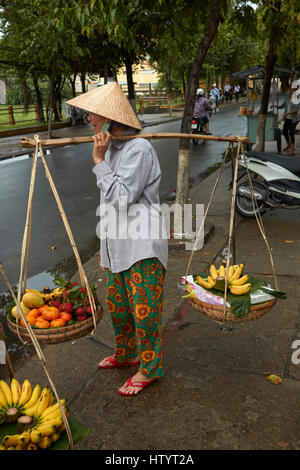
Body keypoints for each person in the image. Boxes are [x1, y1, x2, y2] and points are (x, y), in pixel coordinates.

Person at [66, 82, 168, 396]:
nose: (88, 118)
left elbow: (123, 197)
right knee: (120, 309)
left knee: (144, 313)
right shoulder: (112, 146)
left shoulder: (139, 148)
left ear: (111, 117)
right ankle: (126, 354)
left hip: (142, 245)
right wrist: (105, 249)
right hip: (117, 245)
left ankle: (150, 368)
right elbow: (108, 203)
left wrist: (98, 161)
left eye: (93, 113)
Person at [271, 83, 300, 156]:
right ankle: (289, 145)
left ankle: (292, 150)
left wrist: (288, 113)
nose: (291, 91)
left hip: (294, 119)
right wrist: (275, 106)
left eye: (292, 90)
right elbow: (282, 106)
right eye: (290, 90)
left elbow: (296, 110)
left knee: (291, 133)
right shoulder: (287, 98)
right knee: (284, 131)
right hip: (287, 118)